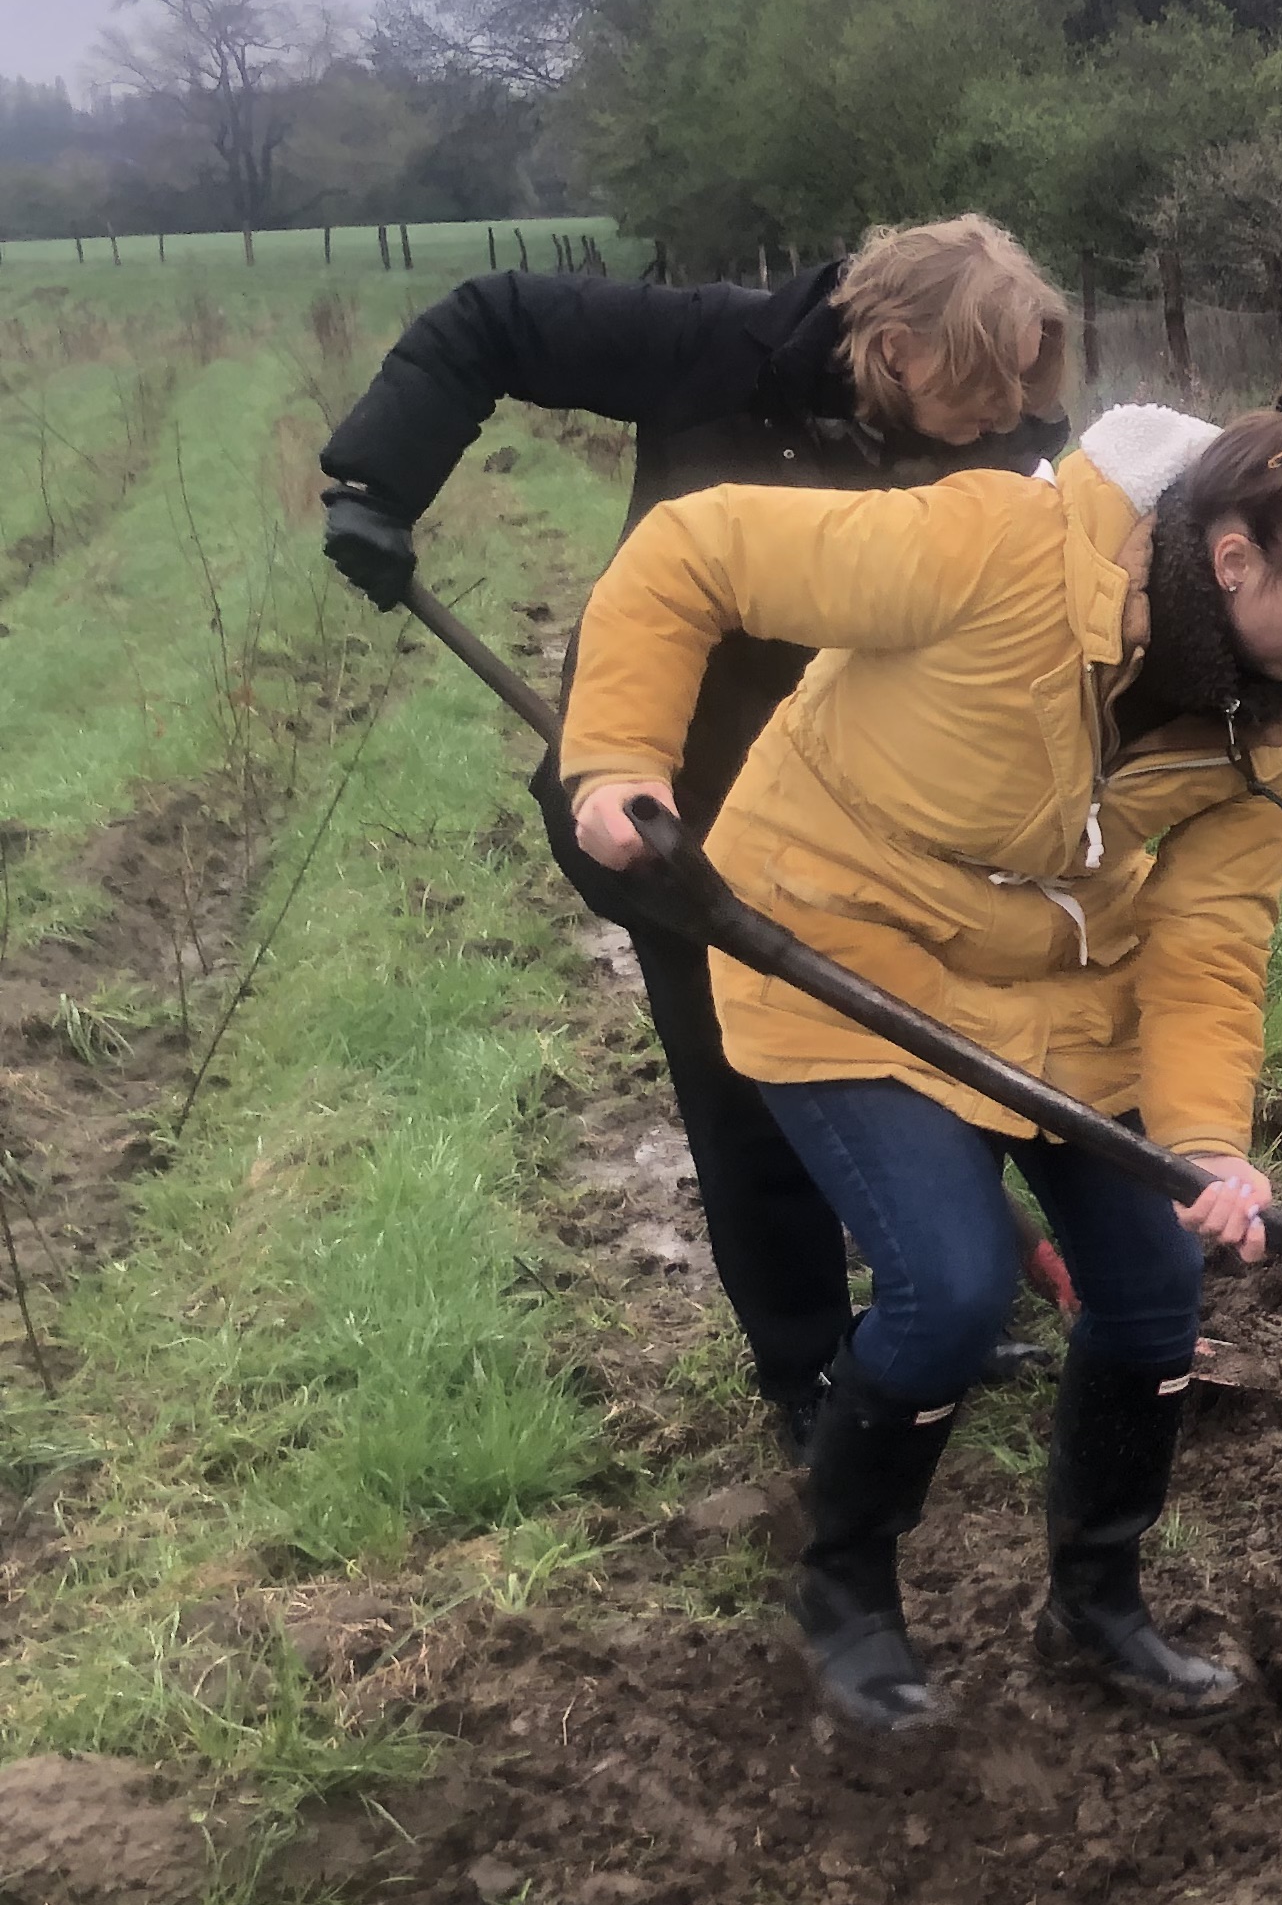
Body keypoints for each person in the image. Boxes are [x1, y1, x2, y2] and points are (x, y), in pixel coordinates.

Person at [558, 379, 1282, 1733]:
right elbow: (696, 549)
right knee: (952, 1290)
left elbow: (1212, 936)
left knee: (1152, 1290)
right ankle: (847, 1594)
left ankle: (1096, 1606)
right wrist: (619, 759)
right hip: (836, 952)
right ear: (1232, 558)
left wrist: (1210, 1141)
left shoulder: (1274, 710)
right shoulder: (992, 550)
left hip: (1044, 986)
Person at [317, 219, 1075, 1463]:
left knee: (913, 1064)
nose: (1006, 415)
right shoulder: (713, 350)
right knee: (745, 1091)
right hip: (674, 806)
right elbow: (492, 319)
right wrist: (379, 486)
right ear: (893, 348)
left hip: (880, 820)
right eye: (982, 386)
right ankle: (808, 1367)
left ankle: (933, 1307)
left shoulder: (998, 434)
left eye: (1019, 391)